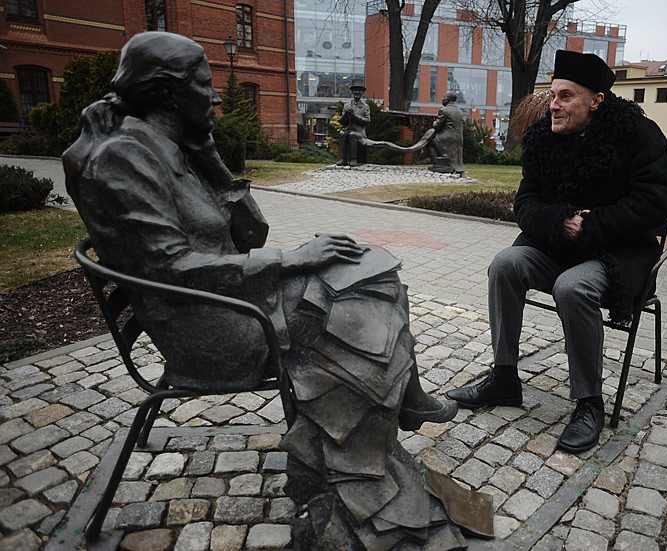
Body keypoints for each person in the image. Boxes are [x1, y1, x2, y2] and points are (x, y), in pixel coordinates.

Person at [63, 32, 469, 549]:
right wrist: (294, 261)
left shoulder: (173, 149)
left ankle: (401, 403)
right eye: (205, 84)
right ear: (168, 95)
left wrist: (209, 154)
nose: (216, 97)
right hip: (213, 326)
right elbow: (174, 269)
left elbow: (252, 235)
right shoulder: (127, 158)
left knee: (371, 269)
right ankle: (360, 470)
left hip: (230, 296)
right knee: (364, 299)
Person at [446, 51, 667, 453]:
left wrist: (591, 225)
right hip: (558, 245)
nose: (553, 104)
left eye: (566, 96)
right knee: (505, 264)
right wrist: (561, 221)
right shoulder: (544, 138)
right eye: (553, 95)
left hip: (619, 254)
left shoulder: (638, 135)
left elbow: (655, 204)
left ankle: (589, 404)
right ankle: (504, 379)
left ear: (596, 101)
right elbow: (526, 205)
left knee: (572, 288)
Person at [427, 91, 465, 174]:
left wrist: (434, 122)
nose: (442, 99)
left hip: (446, 137)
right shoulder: (460, 112)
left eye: (444, 97)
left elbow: (437, 126)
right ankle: (454, 165)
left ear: (447, 99)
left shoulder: (444, 110)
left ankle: (438, 164)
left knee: (429, 143)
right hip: (458, 138)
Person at [335, 78, 370, 167]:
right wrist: (345, 115)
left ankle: (353, 159)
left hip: (359, 133)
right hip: (348, 130)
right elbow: (342, 122)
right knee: (342, 133)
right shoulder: (347, 105)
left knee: (352, 135)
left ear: (362, 93)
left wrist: (355, 116)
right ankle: (343, 159)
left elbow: (367, 121)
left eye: (359, 91)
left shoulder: (365, 107)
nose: (357, 92)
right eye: (355, 90)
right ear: (352, 92)